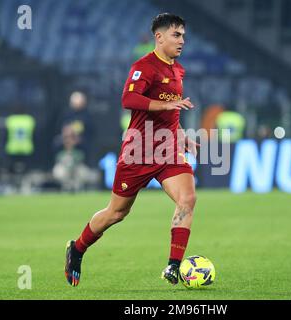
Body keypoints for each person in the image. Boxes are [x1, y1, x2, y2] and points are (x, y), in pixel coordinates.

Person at [65, 13, 198, 287]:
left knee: (187, 199)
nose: (181, 40)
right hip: (138, 151)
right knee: (116, 213)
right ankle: (77, 249)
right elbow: (128, 98)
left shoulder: (178, 70)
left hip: (168, 149)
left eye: (183, 35)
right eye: (176, 35)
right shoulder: (144, 66)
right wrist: (165, 107)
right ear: (159, 37)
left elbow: (172, 112)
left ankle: (173, 266)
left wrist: (182, 135)